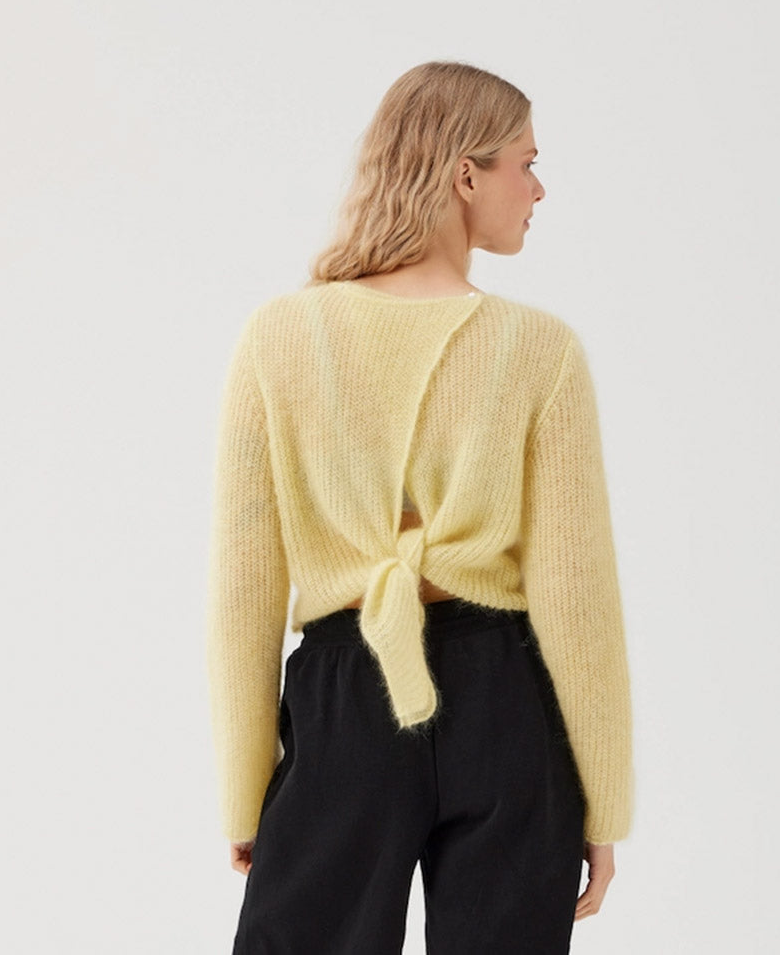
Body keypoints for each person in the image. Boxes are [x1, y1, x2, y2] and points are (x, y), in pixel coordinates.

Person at [206, 60, 635, 953]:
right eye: (526, 162)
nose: (539, 188)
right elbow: (575, 595)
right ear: (465, 174)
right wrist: (603, 803)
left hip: (343, 701)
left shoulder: (280, 338)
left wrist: (245, 792)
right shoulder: (539, 351)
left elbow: (245, 590)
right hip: (504, 700)